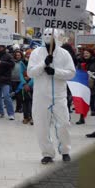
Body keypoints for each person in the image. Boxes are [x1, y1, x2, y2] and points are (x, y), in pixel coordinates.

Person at [27, 28, 76, 165]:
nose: (48, 36)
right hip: (41, 96)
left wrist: (55, 72)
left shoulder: (64, 54)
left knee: (63, 124)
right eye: (46, 34)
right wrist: (44, 64)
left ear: (56, 36)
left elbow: (71, 73)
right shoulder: (36, 53)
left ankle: (65, 150)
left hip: (59, 96)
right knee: (41, 126)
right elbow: (30, 72)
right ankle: (47, 153)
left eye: (51, 34)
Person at [0, 45, 16, 120]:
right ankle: (0, 112)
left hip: (5, 80)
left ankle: (11, 113)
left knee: (6, 96)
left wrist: (1, 62)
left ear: (3, 47)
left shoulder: (8, 55)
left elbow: (12, 64)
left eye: (0, 47)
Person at [19, 49, 34, 125]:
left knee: (33, 102)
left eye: (30, 55)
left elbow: (35, 75)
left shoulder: (35, 63)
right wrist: (24, 84)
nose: (28, 56)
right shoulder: (22, 63)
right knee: (25, 101)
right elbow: (21, 74)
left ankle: (33, 117)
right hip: (24, 85)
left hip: (33, 85)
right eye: (27, 55)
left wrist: (30, 84)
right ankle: (25, 117)